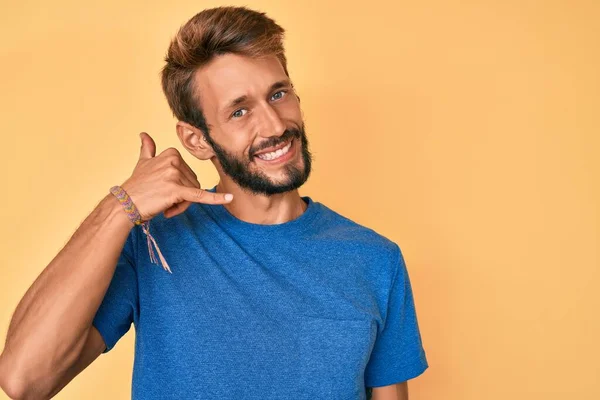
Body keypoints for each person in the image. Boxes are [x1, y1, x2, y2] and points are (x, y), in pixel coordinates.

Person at [0, 6, 428, 400]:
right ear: (196, 139)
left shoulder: (375, 260)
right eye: (239, 111)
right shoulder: (153, 246)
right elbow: (24, 379)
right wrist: (119, 207)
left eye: (278, 94)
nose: (275, 125)